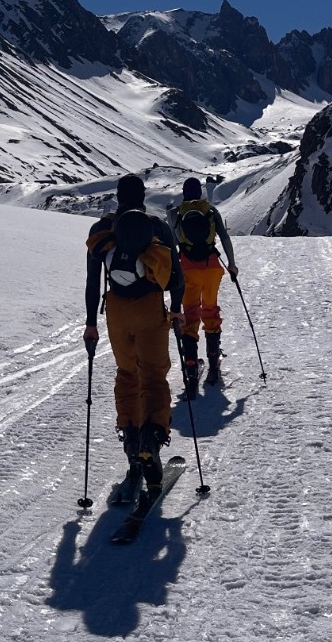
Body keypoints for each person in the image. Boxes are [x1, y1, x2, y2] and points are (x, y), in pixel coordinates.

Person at [83, 173, 184, 503]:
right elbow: (177, 278)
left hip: (116, 310)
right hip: (149, 308)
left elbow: (93, 281)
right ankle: (150, 443)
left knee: (127, 375)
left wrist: (91, 323)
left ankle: (132, 448)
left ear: (117, 196)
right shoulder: (158, 228)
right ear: (143, 196)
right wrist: (177, 310)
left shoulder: (102, 230)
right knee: (153, 377)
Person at [169, 177, 237, 394]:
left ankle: (190, 367)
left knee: (190, 315)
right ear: (199, 193)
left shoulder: (176, 214)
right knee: (210, 310)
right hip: (211, 268)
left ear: (184, 193)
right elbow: (224, 238)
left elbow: (171, 245)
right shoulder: (210, 211)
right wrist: (232, 264)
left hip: (187, 270)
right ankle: (213, 360)